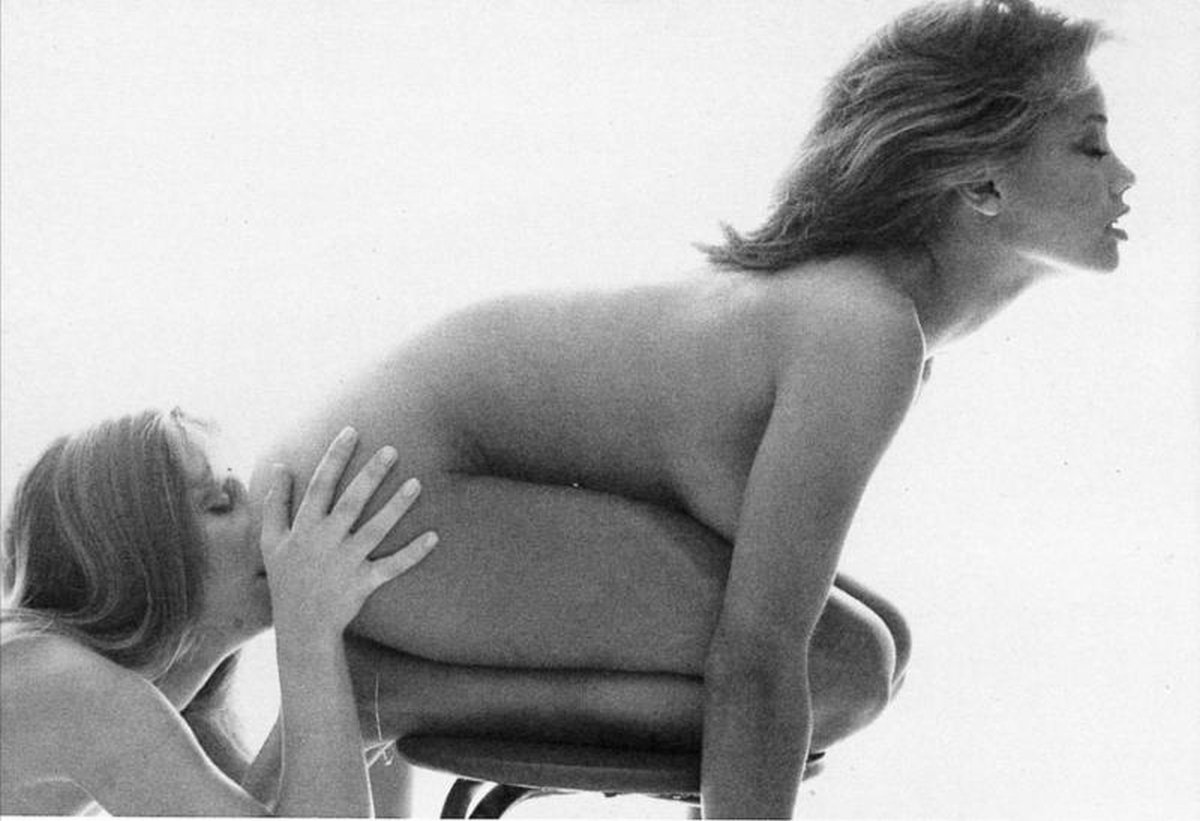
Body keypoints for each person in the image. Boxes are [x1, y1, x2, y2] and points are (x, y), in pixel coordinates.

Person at [2, 0, 1135, 817]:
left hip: (403, 468)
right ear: (979, 183)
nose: (1127, 176)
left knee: (866, 653)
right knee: (839, 667)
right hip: (397, 483)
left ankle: (379, 688)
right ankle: (378, 687)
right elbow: (756, 658)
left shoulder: (853, 321)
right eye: (1089, 144)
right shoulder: (861, 330)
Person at [0, 413, 442, 815]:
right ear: (132, 561)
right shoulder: (67, 684)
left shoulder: (156, 707)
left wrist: (349, 695)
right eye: (220, 504)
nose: (270, 518)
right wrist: (310, 634)